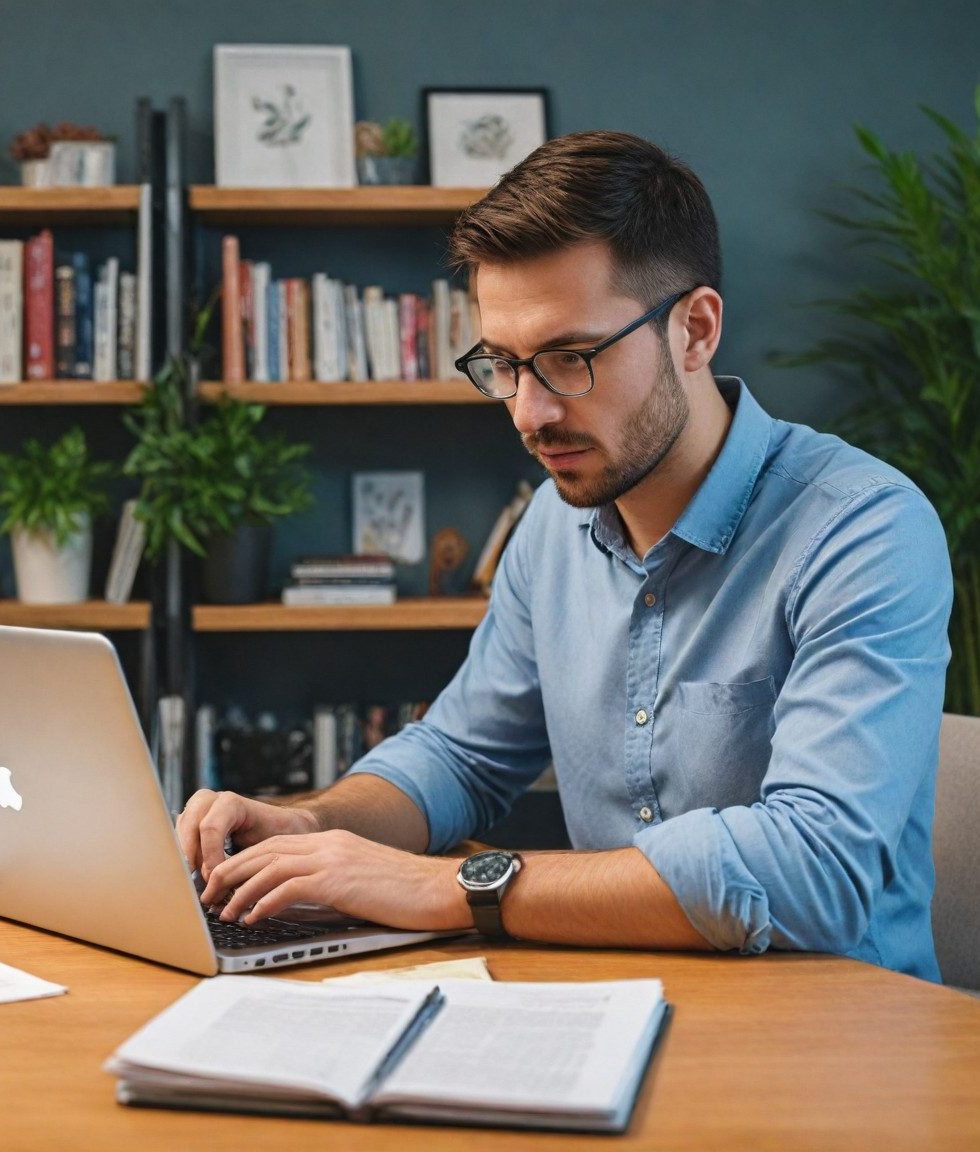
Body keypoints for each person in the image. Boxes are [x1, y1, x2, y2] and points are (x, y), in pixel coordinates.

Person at [178, 131, 952, 980]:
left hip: (839, 1042)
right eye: (504, 366)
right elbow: (461, 757)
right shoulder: (553, 524)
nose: (528, 411)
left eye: (568, 359)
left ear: (694, 331)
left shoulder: (863, 528)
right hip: (620, 1002)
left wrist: (453, 888)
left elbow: (816, 869)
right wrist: (319, 825)